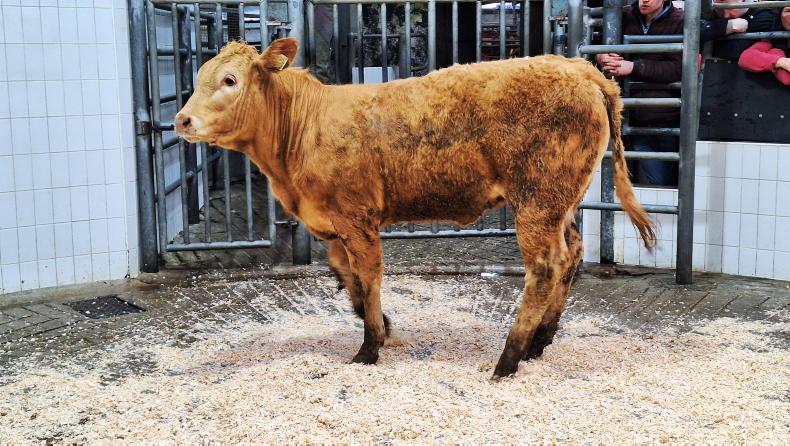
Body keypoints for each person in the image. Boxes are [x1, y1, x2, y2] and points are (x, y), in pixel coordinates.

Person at [595, 0, 683, 186]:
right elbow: (596, 45)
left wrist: (634, 67)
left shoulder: (680, 21)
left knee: (657, 178)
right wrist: (601, 55)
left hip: (662, 114)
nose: (644, 0)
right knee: (622, 175)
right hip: (622, 112)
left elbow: (679, 68)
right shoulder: (622, 15)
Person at [701, 0, 780, 61]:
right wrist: (727, 26)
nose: (726, 15)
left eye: (730, 8)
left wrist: (711, 32)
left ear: (743, 1)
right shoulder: (710, 12)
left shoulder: (763, 15)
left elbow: (739, 53)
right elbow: (692, 34)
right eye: (720, 9)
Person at [737, 7, 790, 86]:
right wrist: (781, 61)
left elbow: (787, 79)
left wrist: (773, 54)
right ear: (780, 15)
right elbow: (745, 58)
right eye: (788, 11)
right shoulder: (773, 39)